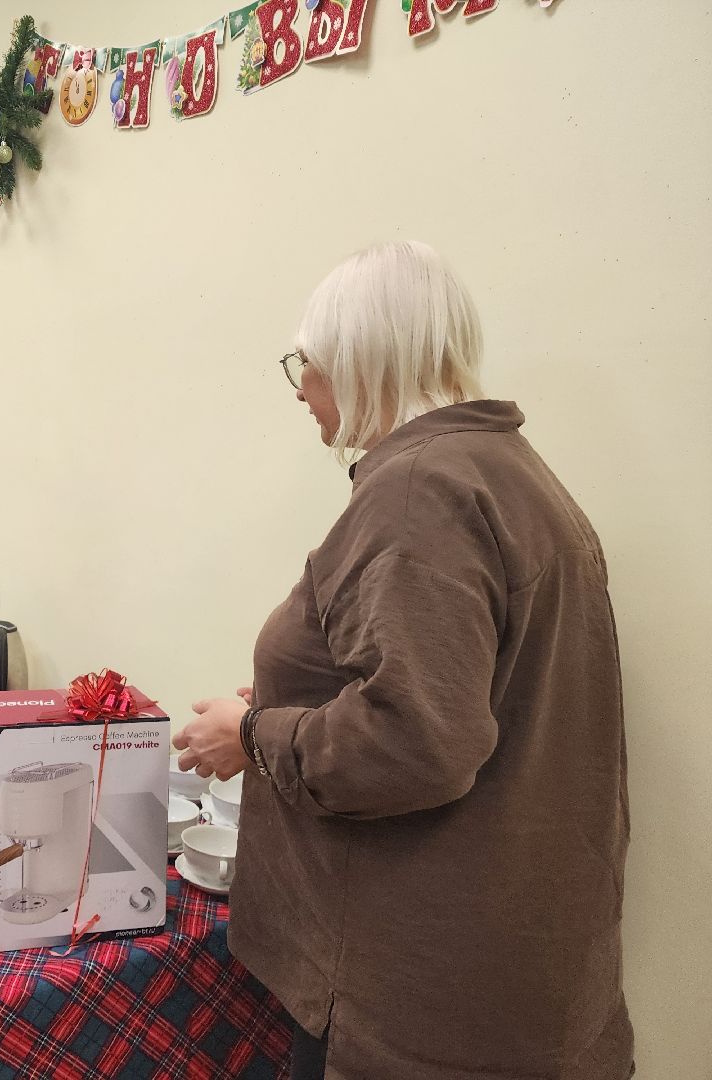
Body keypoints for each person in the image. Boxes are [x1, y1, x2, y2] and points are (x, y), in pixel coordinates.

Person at [173, 241, 632, 1080]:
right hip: (517, 966)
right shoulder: (512, 471)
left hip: (412, 999)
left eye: (307, 365)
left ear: (360, 360)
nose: (300, 389)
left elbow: (416, 741)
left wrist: (253, 733)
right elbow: (470, 687)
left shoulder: (417, 491)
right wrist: (299, 703)